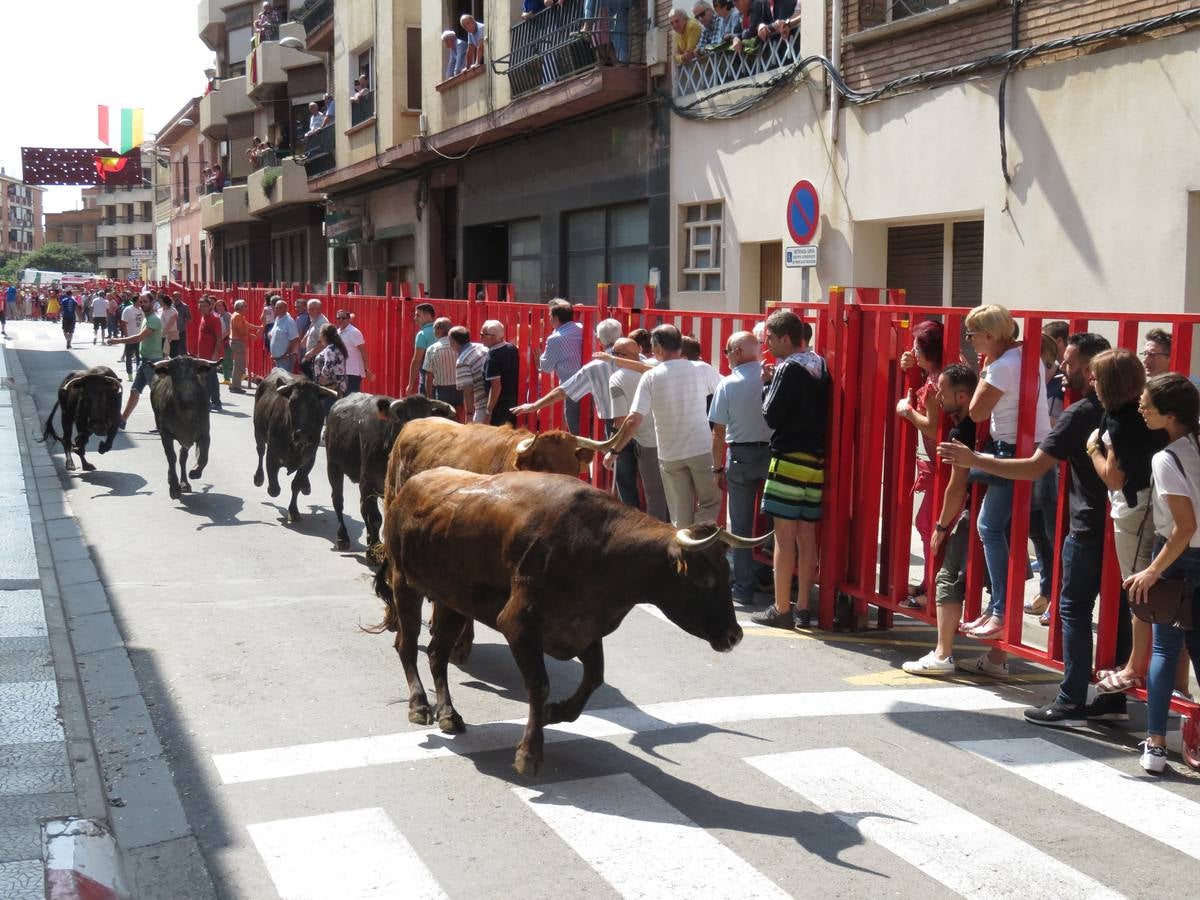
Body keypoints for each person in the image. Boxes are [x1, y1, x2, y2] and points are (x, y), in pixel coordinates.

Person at [940, 333, 1116, 724]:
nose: (1062, 373)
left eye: (1069, 365)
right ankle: (1114, 701)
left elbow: (1034, 466)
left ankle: (1071, 698)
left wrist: (975, 459)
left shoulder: (1081, 413)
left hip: (1089, 525)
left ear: (1090, 370)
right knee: (1117, 613)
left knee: (1073, 609)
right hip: (1129, 528)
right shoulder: (1136, 410)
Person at [953, 304, 1051, 640]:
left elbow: (977, 413)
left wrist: (985, 370)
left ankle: (1000, 610)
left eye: (973, 334)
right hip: (1032, 447)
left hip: (1010, 450)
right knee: (1008, 528)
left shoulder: (1001, 366)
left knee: (989, 526)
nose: (970, 340)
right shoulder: (1028, 356)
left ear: (990, 335)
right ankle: (997, 607)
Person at [1126, 374, 1200, 773]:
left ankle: (1155, 744)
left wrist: (1152, 571)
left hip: (1177, 559)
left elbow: (1184, 527)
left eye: (1147, 405)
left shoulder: (1166, 457)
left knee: (1164, 648)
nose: (1141, 408)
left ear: (1170, 415)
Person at [1087, 349, 1169, 697]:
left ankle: (1135, 667)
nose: (1091, 381)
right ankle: (1147, 667)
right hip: (1152, 505)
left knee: (1137, 588)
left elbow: (1114, 478)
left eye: (1096, 376)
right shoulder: (1144, 412)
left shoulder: (1120, 421)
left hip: (1135, 510)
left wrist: (1092, 448)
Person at [752, 311, 830, 629]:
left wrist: (766, 385)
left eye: (769, 339)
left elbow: (770, 416)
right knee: (807, 536)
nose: (767, 346)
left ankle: (782, 607)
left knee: (784, 538)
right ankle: (803, 608)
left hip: (788, 458)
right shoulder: (819, 365)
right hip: (815, 461)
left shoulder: (787, 369)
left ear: (785, 338)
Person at [902, 365, 981, 675]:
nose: (936, 394)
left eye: (942, 391)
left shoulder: (960, 430)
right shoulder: (986, 420)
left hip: (974, 511)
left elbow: (956, 484)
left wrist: (941, 526)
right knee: (996, 587)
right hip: (995, 509)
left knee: (947, 579)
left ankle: (942, 655)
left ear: (961, 396)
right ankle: (997, 660)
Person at [605, 324, 722, 528]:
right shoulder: (702, 369)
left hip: (669, 453)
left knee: (679, 512)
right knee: (710, 502)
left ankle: (684, 546)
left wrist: (614, 451)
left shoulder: (650, 377)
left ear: (658, 348)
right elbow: (724, 392)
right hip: (699, 449)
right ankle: (698, 535)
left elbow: (633, 419)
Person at [709, 331, 774, 606]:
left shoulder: (728, 384)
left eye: (726, 351)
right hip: (773, 453)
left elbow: (718, 431)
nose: (726, 358)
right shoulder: (774, 375)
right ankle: (773, 578)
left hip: (741, 456)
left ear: (736, 352)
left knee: (742, 526)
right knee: (775, 523)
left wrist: (716, 468)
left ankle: (744, 587)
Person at [894, 320, 943, 607]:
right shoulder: (936, 373)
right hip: (939, 464)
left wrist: (908, 411)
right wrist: (912, 367)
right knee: (927, 524)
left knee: (928, 525)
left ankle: (933, 590)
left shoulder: (937, 382)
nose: (911, 349)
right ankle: (929, 581)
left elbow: (932, 426)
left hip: (944, 465)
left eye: (916, 345)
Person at [512, 318, 623, 442]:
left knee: (613, 452)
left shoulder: (594, 367)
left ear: (599, 340)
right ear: (621, 335)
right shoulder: (639, 360)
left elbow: (564, 390)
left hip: (612, 417)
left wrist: (534, 405)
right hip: (640, 417)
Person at [609, 338, 669, 520]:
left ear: (619, 357)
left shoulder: (617, 379)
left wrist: (613, 447)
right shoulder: (657, 367)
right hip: (670, 436)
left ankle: (658, 537)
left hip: (648, 441)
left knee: (654, 493)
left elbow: (621, 420)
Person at [106, 293, 163, 429]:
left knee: (157, 394)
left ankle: (162, 424)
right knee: (135, 390)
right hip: (145, 361)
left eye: (145, 302)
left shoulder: (153, 319)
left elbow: (138, 338)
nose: (142, 304)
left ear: (152, 302)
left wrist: (118, 340)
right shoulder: (146, 318)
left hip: (152, 362)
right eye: (141, 301)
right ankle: (122, 420)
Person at [538, 299, 585, 434]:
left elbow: (546, 367)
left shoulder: (555, 338)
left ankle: (581, 453)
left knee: (575, 426)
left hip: (572, 386)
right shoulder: (582, 328)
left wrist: (539, 358)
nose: (549, 319)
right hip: (592, 383)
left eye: (549, 316)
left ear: (555, 318)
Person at [480, 320, 520, 427]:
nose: (480, 338)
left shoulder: (493, 357)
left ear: (492, 337)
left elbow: (496, 387)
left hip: (499, 406)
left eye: (482, 335)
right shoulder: (512, 348)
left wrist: (488, 412)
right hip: (513, 402)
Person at [421, 317, 462, 410]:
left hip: (442, 391)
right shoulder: (460, 347)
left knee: (443, 419)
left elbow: (429, 375)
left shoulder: (432, 349)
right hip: (461, 389)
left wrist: (429, 397)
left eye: (434, 328)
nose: (433, 331)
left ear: (439, 329)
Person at [451, 326, 489, 423]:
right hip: (494, 400)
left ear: (453, 341)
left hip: (482, 404)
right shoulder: (483, 347)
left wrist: (469, 415)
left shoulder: (462, 361)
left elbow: (468, 389)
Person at [313, 323, 348, 422]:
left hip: (330, 387)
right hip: (337, 386)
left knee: (329, 416)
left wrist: (323, 377)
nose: (319, 336)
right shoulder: (337, 347)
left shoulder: (330, 349)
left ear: (324, 336)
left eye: (320, 334)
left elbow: (328, 366)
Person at [195, 296, 224, 411]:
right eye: (200, 305)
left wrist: (215, 353)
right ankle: (207, 401)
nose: (201, 308)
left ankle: (216, 402)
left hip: (210, 356)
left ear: (210, 306)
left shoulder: (214, 319)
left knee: (211, 378)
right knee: (205, 378)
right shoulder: (203, 318)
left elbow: (219, 338)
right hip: (203, 356)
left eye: (204, 306)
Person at [336, 310, 372, 393]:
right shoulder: (338, 332)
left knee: (351, 398)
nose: (340, 320)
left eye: (343, 318)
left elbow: (363, 351)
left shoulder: (354, 332)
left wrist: (366, 369)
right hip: (342, 372)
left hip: (353, 372)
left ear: (348, 319)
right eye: (338, 318)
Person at [229, 299, 260, 394]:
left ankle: (235, 385)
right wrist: (250, 336)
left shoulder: (239, 316)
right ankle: (235, 386)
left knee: (239, 365)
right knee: (239, 366)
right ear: (239, 307)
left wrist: (258, 328)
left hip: (237, 342)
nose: (247, 307)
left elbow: (246, 326)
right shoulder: (238, 316)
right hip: (238, 342)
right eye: (245, 306)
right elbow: (240, 331)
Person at [408, 302, 436, 396]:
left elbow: (417, 360)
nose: (415, 318)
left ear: (427, 315)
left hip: (427, 379)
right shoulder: (444, 330)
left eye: (418, 315)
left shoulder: (422, 334)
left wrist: (410, 384)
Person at [299, 299, 329, 380]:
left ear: (319, 309)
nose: (309, 311)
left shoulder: (322, 322)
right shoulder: (314, 320)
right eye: (309, 309)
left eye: (312, 309)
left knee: (315, 381)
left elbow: (323, 342)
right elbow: (309, 333)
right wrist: (302, 343)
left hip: (318, 358)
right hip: (311, 357)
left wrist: (311, 353)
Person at [268, 298, 300, 371]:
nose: (278, 309)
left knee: (285, 380)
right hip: (276, 358)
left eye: (280, 308)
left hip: (285, 359)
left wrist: (286, 354)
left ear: (286, 309)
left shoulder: (289, 321)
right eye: (276, 308)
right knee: (279, 380)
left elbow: (295, 339)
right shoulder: (278, 319)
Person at [120, 295, 144, 381]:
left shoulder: (142, 310)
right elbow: (123, 323)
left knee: (139, 357)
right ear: (135, 301)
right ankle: (129, 374)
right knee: (129, 357)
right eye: (140, 301)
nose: (141, 302)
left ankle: (138, 374)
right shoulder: (128, 310)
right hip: (130, 337)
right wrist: (127, 336)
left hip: (140, 337)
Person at [215, 299, 233, 384]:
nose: (219, 307)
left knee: (226, 359)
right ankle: (228, 377)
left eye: (221, 305)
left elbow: (229, 329)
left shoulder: (226, 315)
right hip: (221, 339)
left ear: (224, 306)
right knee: (226, 359)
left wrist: (222, 338)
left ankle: (228, 378)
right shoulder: (218, 315)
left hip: (226, 340)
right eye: (217, 305)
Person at [159, 294, 179, 358]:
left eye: (161, 301)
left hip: (171, 335)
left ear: (165, 302)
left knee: (173, 355)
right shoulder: (159, 310)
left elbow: (170, 324)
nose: (159, 302)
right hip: (161, 335)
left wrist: (163, 333)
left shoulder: (173, 311)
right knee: (162, 355)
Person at [173, 292, 192, 356]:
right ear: (173, 297)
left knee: (182, 346)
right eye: (175, 296)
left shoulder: (185, 306)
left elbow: (189, 318)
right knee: (174, 347)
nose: (177, 298)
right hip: (172, 330)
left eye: (178, 296)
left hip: (181, 330)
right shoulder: (171, 306)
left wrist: (183, 320)